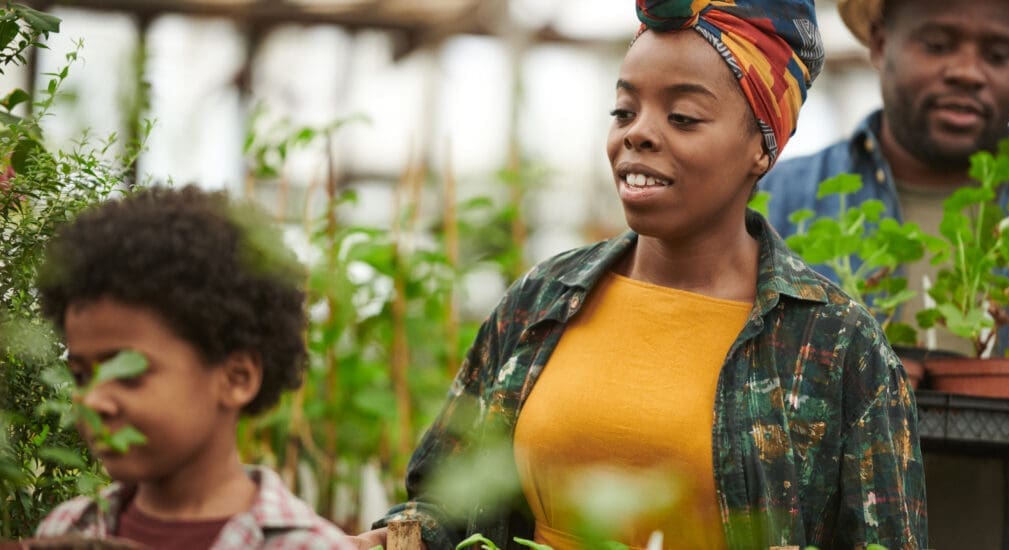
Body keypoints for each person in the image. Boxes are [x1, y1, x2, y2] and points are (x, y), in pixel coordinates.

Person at [354, 1, 926, 549]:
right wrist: (392, 539)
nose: (638, 134)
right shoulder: (543, 302)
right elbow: (443, 502)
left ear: (762, 146)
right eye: (624, 111)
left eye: (683, 117)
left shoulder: (836, 345)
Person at [761, 0, 1009, 360]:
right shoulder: (770, 205)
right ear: (880, 45)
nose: (968, 72)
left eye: (999, 54)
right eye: (938, 45)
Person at [33, 186, 353, 549]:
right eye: (81, 376)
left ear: (236, 378)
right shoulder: (67, 530)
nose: (93, 401)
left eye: (126, 373)